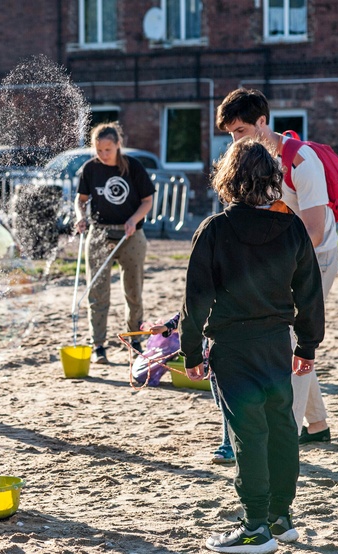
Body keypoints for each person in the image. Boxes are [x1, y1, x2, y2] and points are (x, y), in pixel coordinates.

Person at [179, 139, 324, 554]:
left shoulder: (214, 229)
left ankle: (255, 527)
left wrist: (191, 352)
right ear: (272, 180)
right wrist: (307, 346)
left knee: (249, 434)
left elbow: (195, 299)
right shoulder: (292, 225)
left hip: (233, 346)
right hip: (278, 343)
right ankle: (282, 517)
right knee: (281, 429)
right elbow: (310, 293)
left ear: (229, 179)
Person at [216, 88, 338, 444]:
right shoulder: (246, 161)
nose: (234, 141)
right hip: (280, 255)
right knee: (284, 334)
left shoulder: (300, 161)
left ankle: (285, 431)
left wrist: (277, 270)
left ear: (262, 122)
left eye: (240, 131)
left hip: (317, 255)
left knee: (291, 337)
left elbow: (313, 233)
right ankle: (317, 426)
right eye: (230, 134)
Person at [74, 122, 155, 365]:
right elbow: (81, 200)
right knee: (97, 292)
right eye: (99, 150)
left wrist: (133, 220)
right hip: (99, 233)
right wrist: (80, 217)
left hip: (131, 235)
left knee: (133, 291)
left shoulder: (134, 167)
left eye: (107, 150)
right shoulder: (90, 169)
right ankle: (98, 344)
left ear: (118, 145)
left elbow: (147, 201)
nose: (103, 155)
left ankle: (135, 339)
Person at [149, 314, 235, 465]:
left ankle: (229, 446)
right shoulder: (209, 291)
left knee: (231, 404)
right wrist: (168, 326)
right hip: (215, 357)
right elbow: (192, 310)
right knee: (222, 404)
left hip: (239, 350)